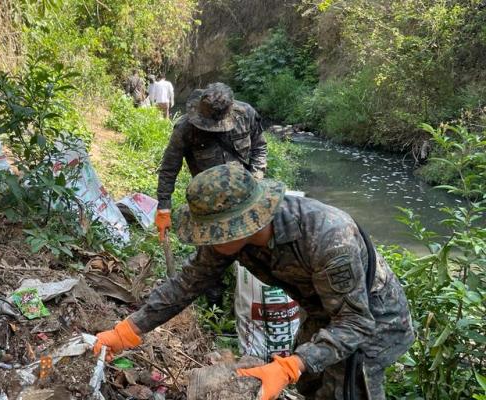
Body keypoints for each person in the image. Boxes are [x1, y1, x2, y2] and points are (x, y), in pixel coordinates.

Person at [94, 164, 414, 400]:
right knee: (311, 385)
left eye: (212, 233)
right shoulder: (233, 240)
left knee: (345, 391)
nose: (207, 242)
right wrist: (128, 331)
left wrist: (292, 365)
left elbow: (356, 322)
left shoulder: (329, 237)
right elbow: (188, 283)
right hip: (322, 308)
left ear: (244, 224)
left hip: (371, 319)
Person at [155, 82, 266, 241]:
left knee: (247, 243)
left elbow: (259, 147)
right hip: (208, 200)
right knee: (214, 248)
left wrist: (256, 179)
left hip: (244, 191)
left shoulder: (247, 115)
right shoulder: (185, 128)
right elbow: (169, 168)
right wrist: (164, 208)